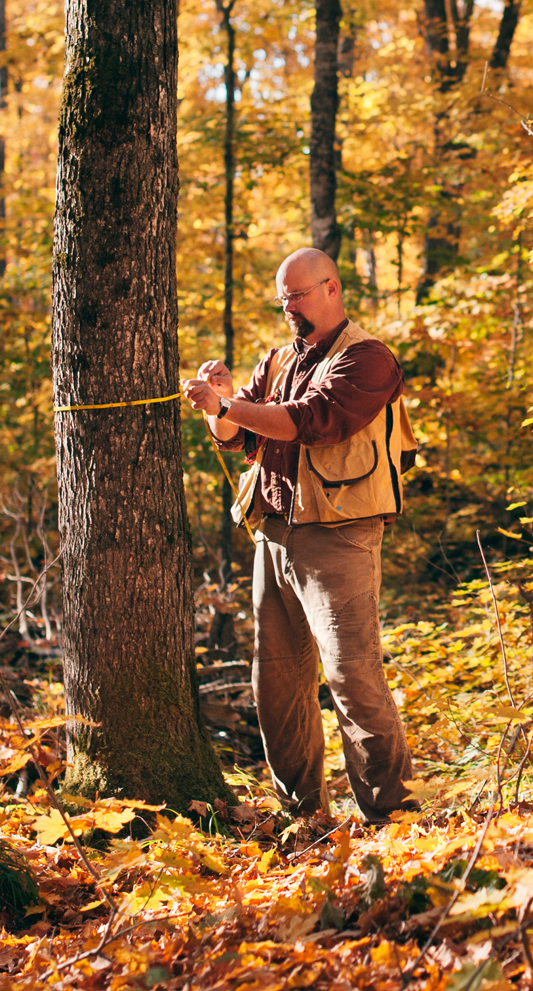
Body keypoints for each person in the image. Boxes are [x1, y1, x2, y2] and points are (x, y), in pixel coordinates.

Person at [183, 248, 419, 824]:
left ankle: (394, 817)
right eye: (282, 298)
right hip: (276, 536)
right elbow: (237, 437)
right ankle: (305, 817)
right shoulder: (279, 359)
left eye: (298, 295)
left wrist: (231, 405)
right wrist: (221, 405)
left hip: (340, 538)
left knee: (353, 679)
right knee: (277, 686)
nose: (288, 307)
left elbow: (309, 423)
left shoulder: (367, 360)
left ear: (332, 289)